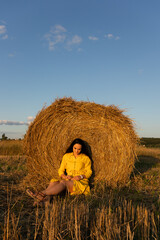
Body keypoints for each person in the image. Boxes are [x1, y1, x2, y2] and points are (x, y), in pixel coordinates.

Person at [26, 138, 92, 203]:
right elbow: (61, 170)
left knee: (63, 183)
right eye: (75, 148)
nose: (76, 151)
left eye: (79, 149)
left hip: (79, 182)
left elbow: (89, 172)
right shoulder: (66, 156)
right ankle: (46, 199)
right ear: (72, 147)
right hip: (68, 179)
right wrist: (65, 176)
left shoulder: (85, 158)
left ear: (82, 149)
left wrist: (80, 176)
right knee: (54, 182)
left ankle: (40, 193)